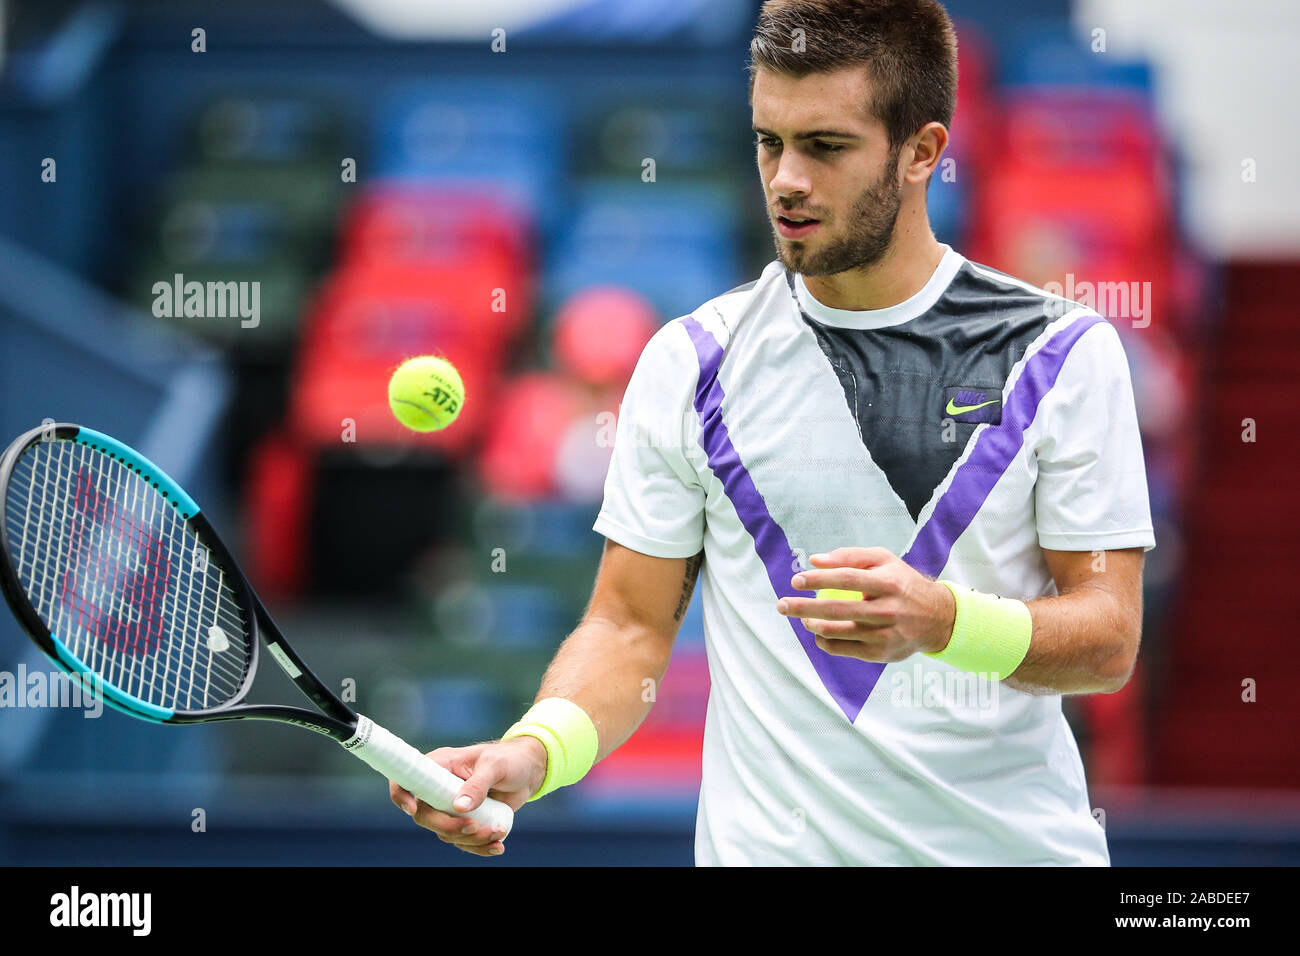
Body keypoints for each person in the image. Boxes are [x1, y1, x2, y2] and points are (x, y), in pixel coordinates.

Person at [389, 0, 1156, 865]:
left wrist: (945, 622)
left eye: (825, 147)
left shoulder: (1061, 353)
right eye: (769, 142)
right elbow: (629, 630)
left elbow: (1106, 639)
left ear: (923, 152)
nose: (787, 177)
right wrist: (532, 752)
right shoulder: (690, 361)